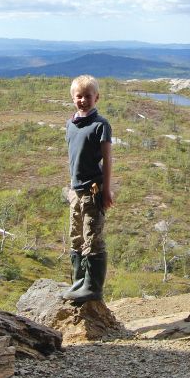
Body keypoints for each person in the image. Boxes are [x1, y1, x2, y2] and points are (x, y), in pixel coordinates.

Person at [61, 74, 114, 304]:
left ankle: (93, 288)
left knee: (92, 237)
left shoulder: (100, 125)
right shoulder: (70, 124)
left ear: (97, 97)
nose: (83, 100)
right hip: (76, 191)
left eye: (88, 96)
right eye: (78, 96)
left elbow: (107, 159)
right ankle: (79, 281)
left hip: (93, 191)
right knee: (76, 237)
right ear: (73, 97)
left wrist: (107, 189)